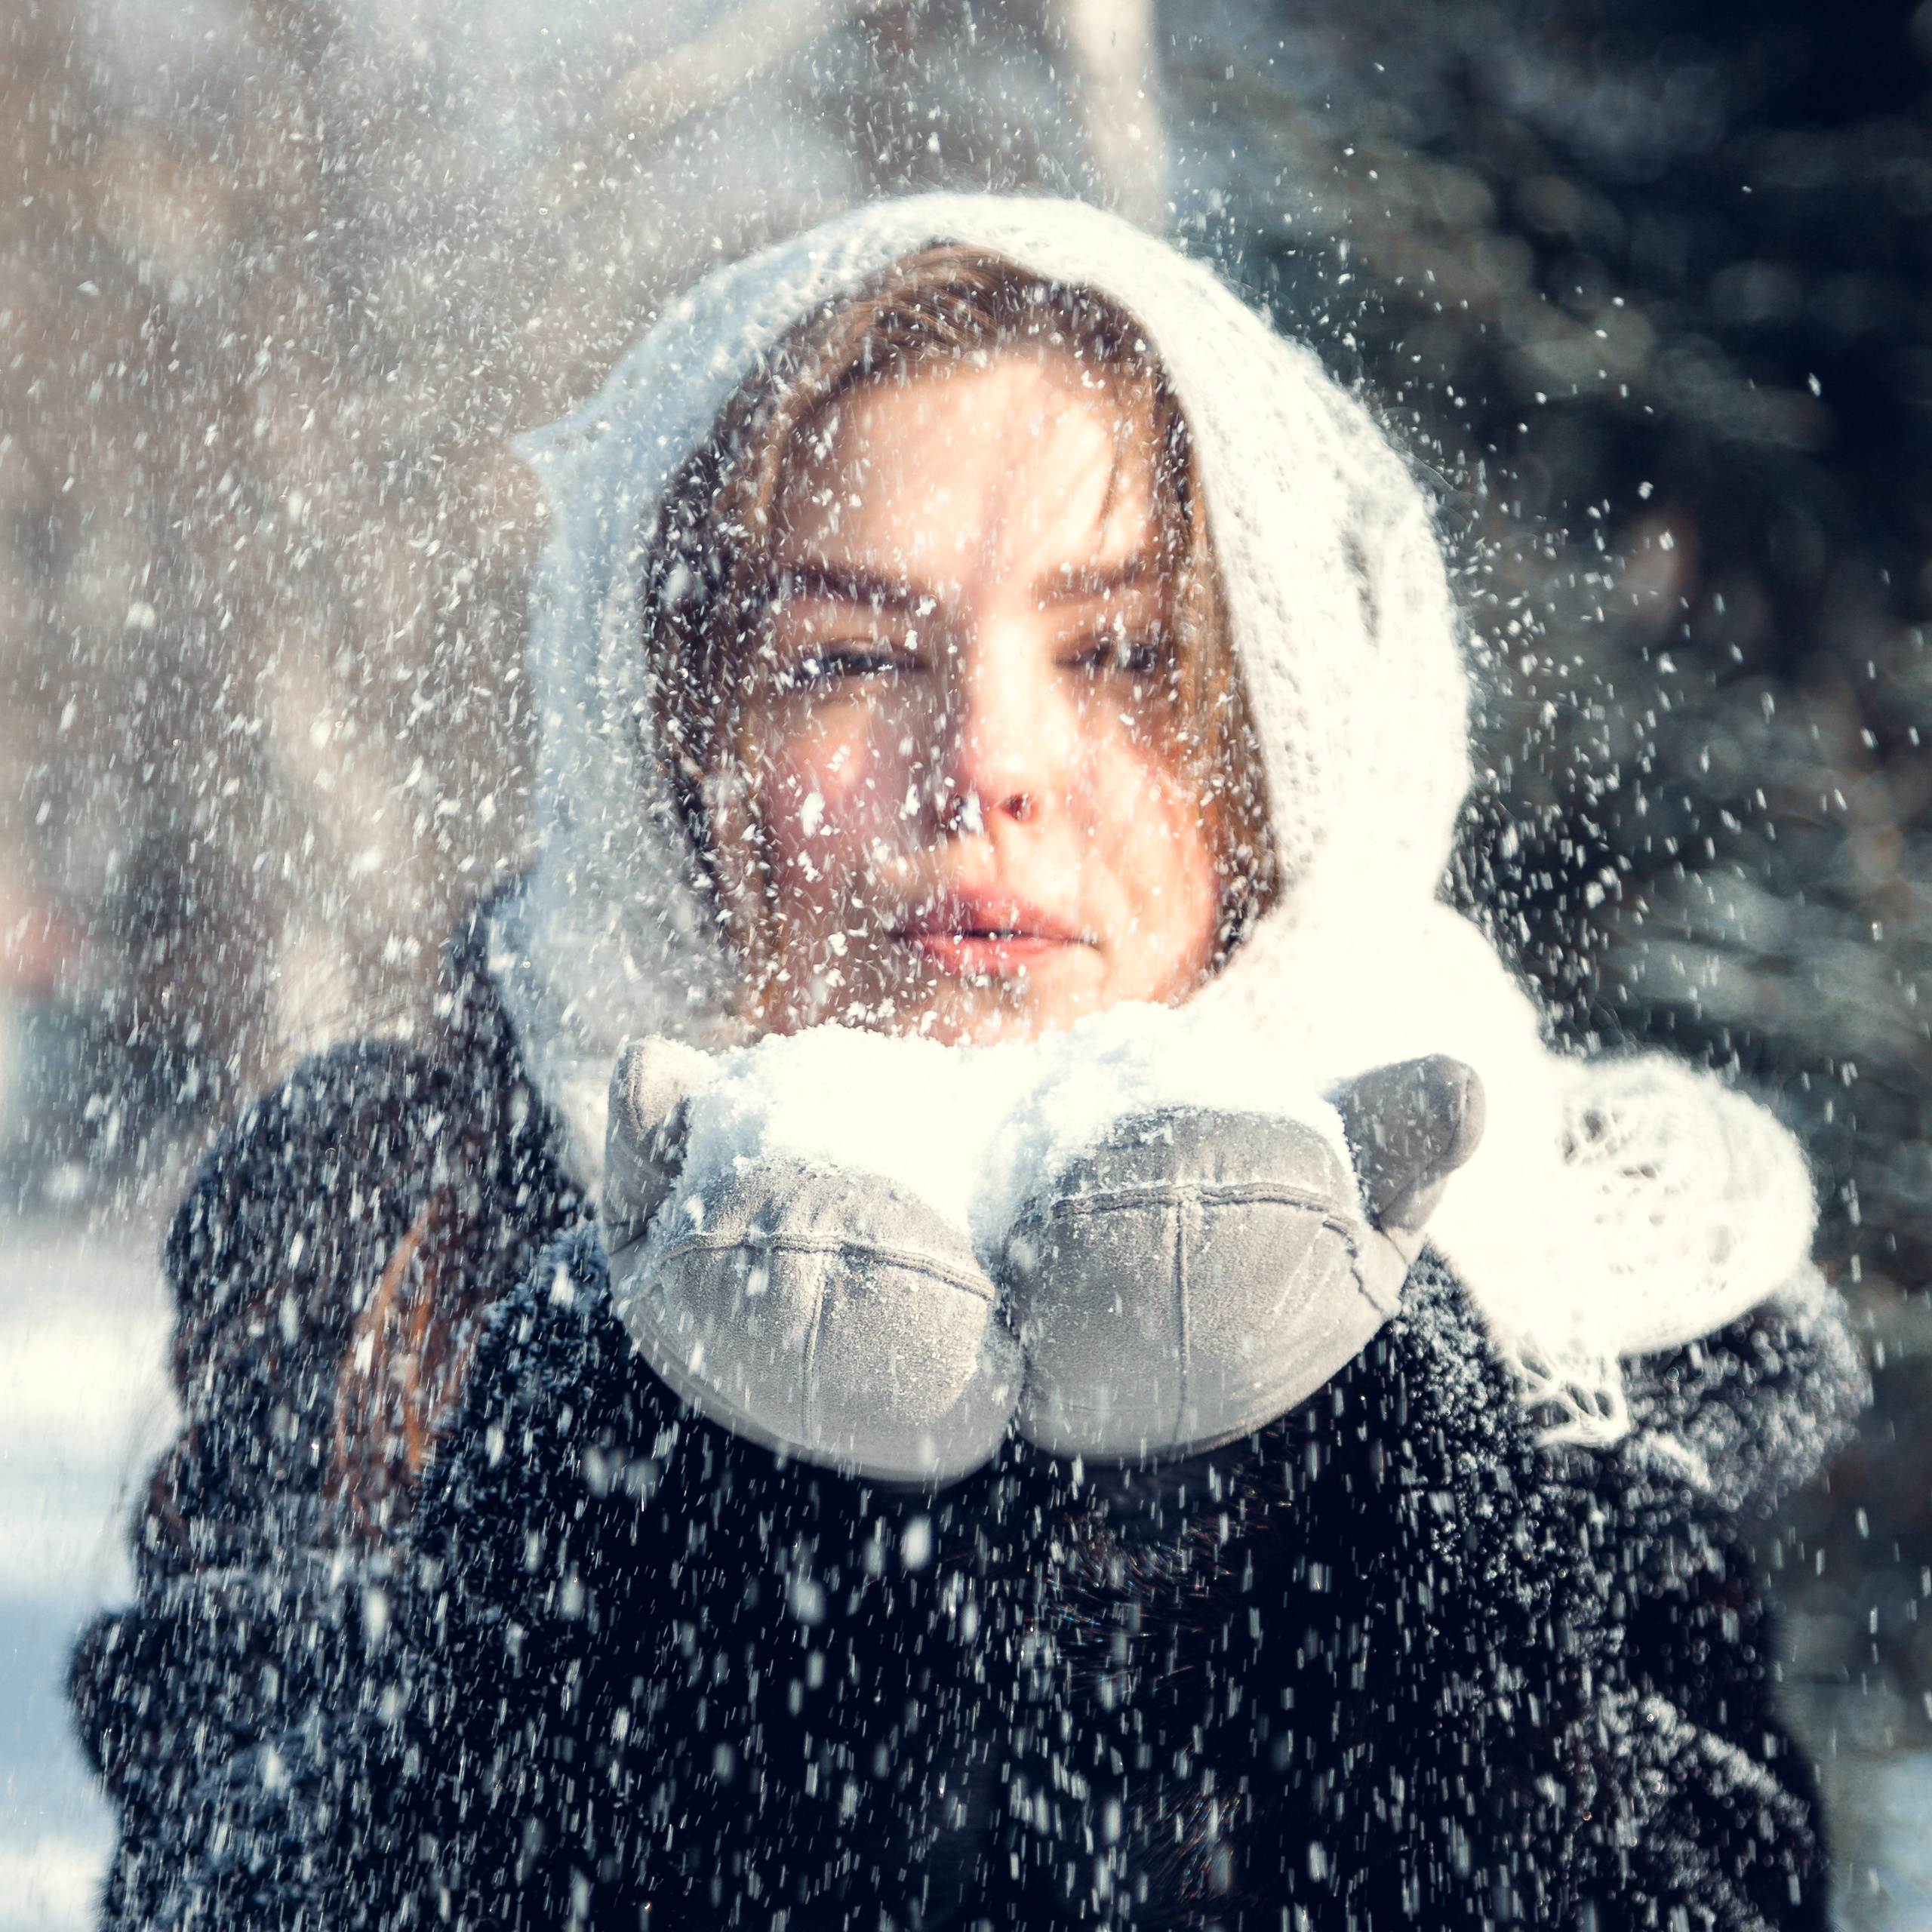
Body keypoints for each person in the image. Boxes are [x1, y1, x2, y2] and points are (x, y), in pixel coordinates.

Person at [71, 197, 1863, 1932]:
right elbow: (246, 1873)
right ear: (675, 740)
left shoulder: (1538, 1261)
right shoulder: (414, 1218)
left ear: (1284, 740)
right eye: (846, 655)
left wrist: (1340, 1425)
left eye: (1126, 655)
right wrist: (681, 1448)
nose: (986, 760)